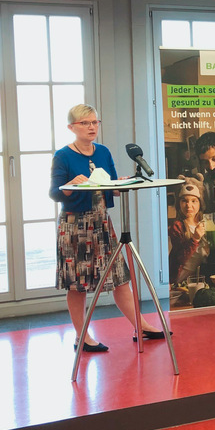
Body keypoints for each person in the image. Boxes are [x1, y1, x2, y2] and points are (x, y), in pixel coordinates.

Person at [49, 104, 164, 353]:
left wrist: (122, 182)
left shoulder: (103, 151)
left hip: (102, 223)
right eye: (85, 123)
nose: (91, 127)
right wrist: (71, 183)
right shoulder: (63, 155)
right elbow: (55, 193)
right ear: (71, 127)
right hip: (75, 226)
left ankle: (141, 326)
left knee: (121, 279)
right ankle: (81, 336)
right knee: (77, 285)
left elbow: (110, 187)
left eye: (94, 122)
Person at [168, 175, 208, 285]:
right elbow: (180, 257)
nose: (189, 205)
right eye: (184, 201)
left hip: (202, 277)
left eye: (194, 201)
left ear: (200, 203)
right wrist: (195, 238)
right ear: (178, 203)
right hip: (181, 279)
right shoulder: (177, 226)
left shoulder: (205, 222)